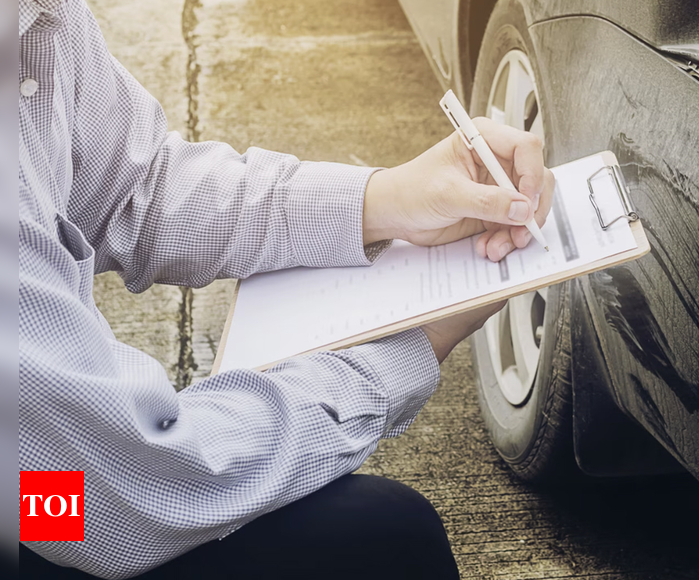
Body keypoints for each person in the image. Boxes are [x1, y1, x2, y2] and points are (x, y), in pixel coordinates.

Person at [17, 0, 554, 578]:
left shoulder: (36, 18)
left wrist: (384, 201)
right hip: (35, 510)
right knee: (385, 541)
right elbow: (109, 496)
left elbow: (134, 189)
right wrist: (400, 350)